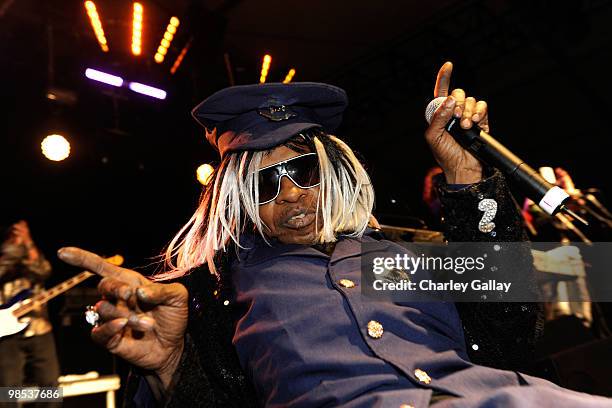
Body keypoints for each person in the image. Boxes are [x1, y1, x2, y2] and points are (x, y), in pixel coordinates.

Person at [58, 62, 612, 407]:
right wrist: (170, 367)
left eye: (303, 171)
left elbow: (516, 330)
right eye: (264, 183)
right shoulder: (212, 296)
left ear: (334, 170)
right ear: (236, 199)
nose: (292, 194)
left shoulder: (398, 253)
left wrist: (466, 173)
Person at [0, 221, 61, 394]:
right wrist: (12, 250)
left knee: (50, 387)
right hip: (6, 332)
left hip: (39, 327)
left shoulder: (31, 251)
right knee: (8, 390)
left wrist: (27, 242)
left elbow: (44, 271)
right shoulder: (6, 251)